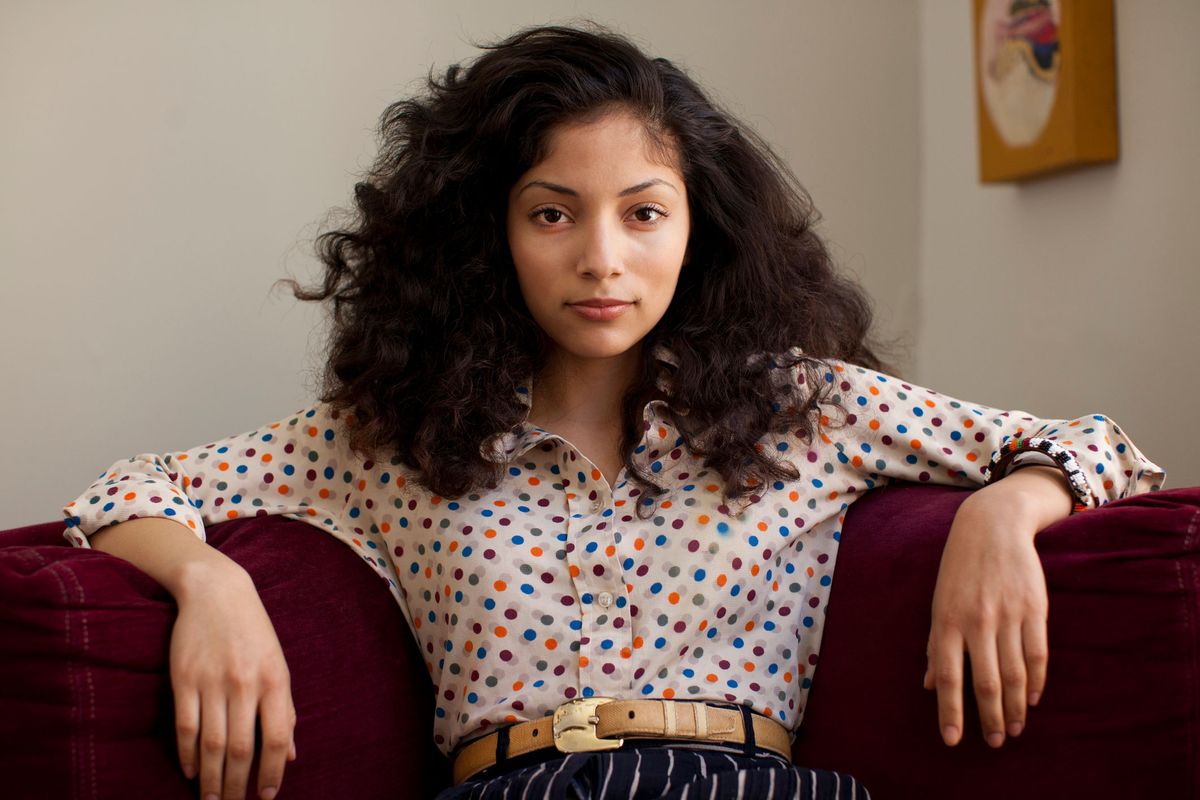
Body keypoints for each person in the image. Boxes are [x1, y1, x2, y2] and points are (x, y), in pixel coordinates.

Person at [61, 23, 1164, 800]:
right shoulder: (390, 436)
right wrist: (208, 579)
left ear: (699, 229)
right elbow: (126, 492)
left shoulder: (803, 406)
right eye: (553, 212)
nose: (602, 259)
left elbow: (1098, 447)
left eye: (644, 213)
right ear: (487, 232)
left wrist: (1003, 511)